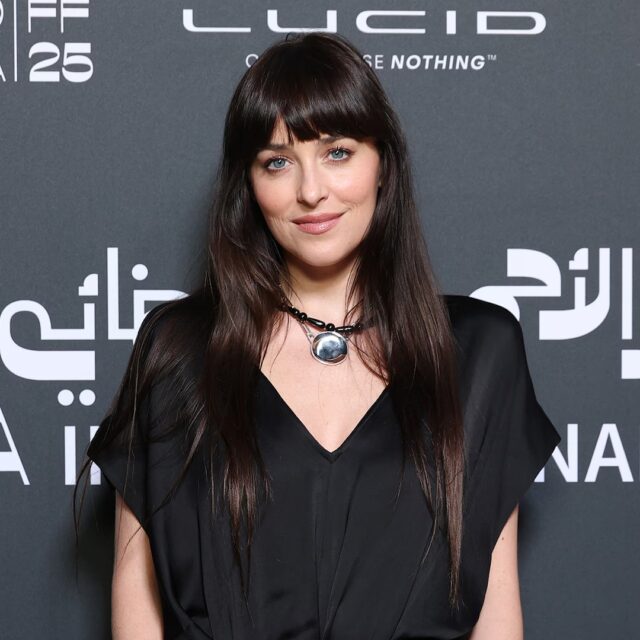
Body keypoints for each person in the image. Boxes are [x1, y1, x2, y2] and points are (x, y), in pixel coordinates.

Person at [74, 31, 561, 640]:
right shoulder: (178, 351)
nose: (310, 191)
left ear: (382, 164)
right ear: (249, 184)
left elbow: (496, 602)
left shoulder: (480, 352)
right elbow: (136, 596)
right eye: (277, 162)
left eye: (338, 152)